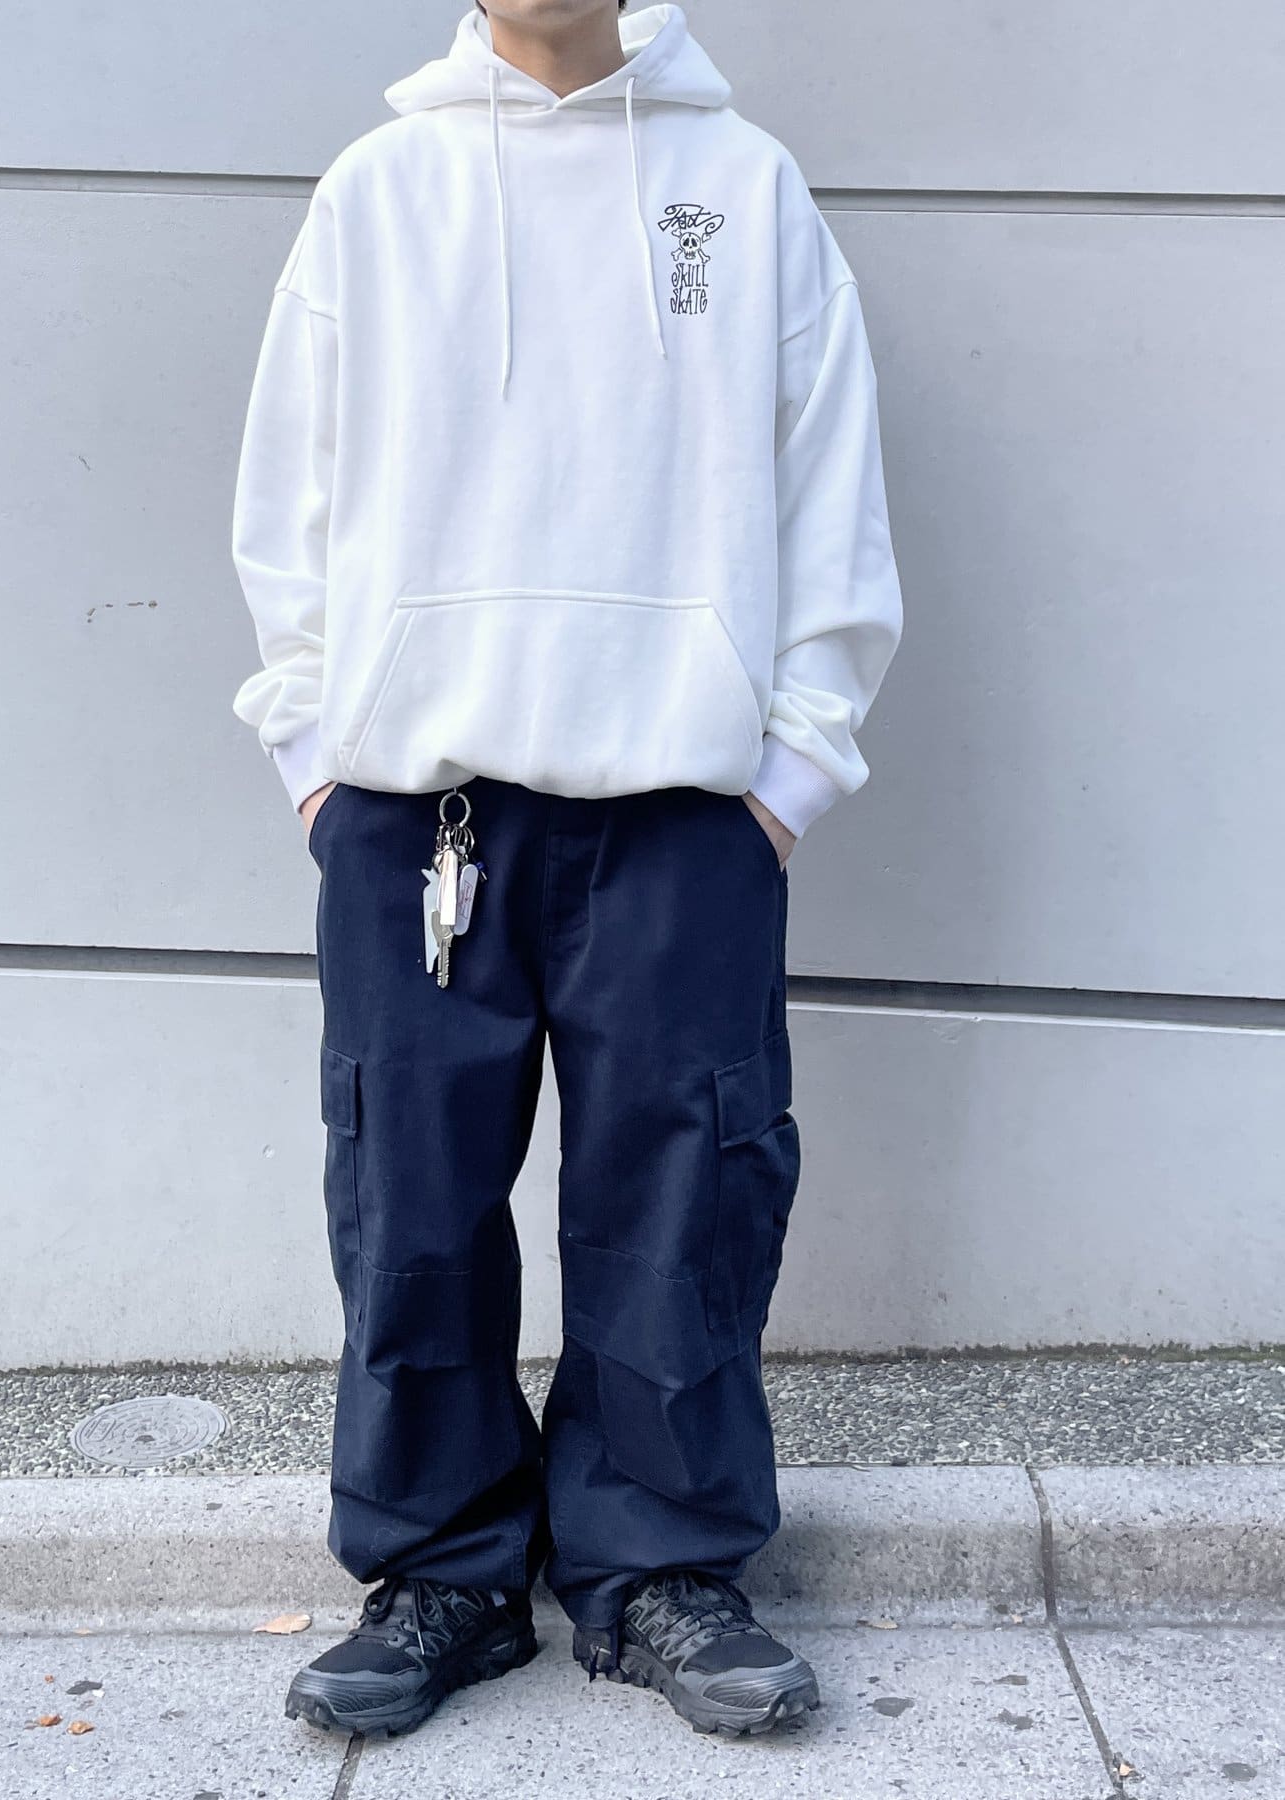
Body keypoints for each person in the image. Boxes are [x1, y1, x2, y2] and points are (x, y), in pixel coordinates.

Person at [230, 0, 903, 1741]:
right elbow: (290, 499)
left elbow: (829, 484)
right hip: (417, 811)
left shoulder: (742, 188)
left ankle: (662, 1562)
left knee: (688, 1192)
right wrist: (316, 761)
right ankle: (442, 1570)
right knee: (412, 1198)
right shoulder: (379, 191)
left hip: (683, 807)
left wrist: (786, 777)